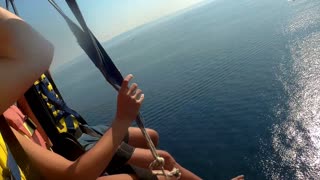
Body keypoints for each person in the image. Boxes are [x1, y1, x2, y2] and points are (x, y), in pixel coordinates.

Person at [0, 7, 202, 180]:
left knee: (151, 136)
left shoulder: (22, 76)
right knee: (163, 159)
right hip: (71, 141)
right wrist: (122, 118)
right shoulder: (13, 90)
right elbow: (36, 51)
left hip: (79, 129)